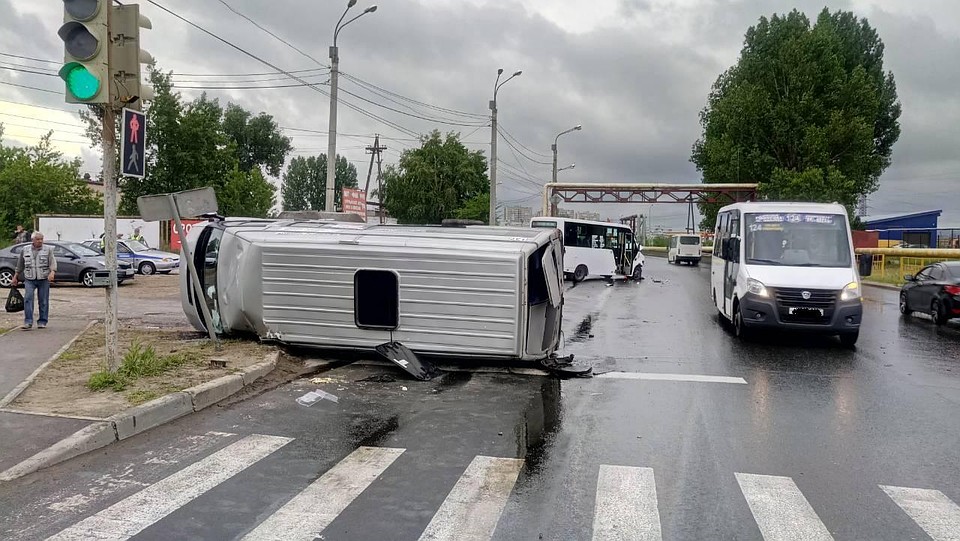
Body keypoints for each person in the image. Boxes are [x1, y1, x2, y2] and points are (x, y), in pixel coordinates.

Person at [12, 232, 57, 330]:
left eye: (41, 239)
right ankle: (28, 322)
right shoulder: (25, 250)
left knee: (43, 301)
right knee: (28, 299)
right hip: (29, 278)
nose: (40, 241)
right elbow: (20, 264)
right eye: (37, 239)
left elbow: (52, 262)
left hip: (43, 278)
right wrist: (15, 276)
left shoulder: (48, 249)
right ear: (33, 240)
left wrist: (52, 272)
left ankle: (42, 321)